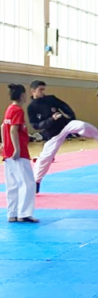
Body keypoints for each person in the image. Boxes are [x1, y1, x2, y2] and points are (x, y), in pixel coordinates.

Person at [27, 80, 98, 187]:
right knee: (45, 159)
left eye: (44, 89)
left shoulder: (51, 99)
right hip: (53, 134)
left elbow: (64, 106)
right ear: (33, 91)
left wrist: (71, 116)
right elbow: (35, 125)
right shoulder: (31, 107)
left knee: (81, 125)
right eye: (40, 90)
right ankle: (36, 182)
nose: (43, 92)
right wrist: (51, 119)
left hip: (65, 125)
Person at [3, 85, 38, 223]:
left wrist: (4, 144)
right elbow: (13, 129)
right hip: (18, 153)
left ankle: (12, 213)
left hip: (7, 152)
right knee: (28, 183)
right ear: (22, 95)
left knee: (13, 184)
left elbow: (3, 126)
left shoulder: (9, 108)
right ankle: (24, 213)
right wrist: (16, 149)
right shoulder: (18, 110)